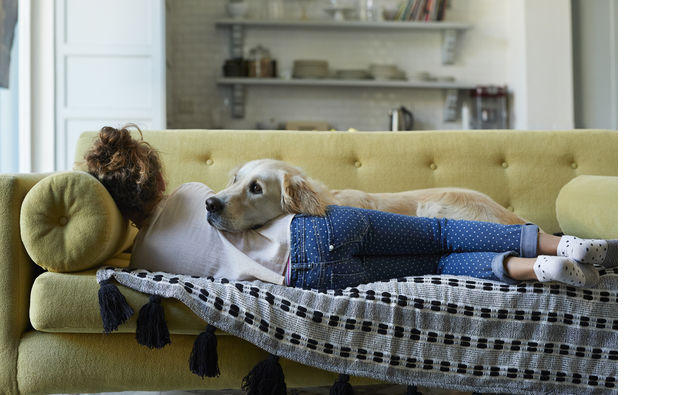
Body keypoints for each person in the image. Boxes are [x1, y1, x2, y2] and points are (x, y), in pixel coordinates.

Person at [84, 124, 617, 290]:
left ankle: (538, 269)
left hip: (314, 282)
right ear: (154, 174)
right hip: (328, 229)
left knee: (437, 267)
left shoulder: (144, 261)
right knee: (439, 238)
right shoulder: (196, 196)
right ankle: (556, 245)